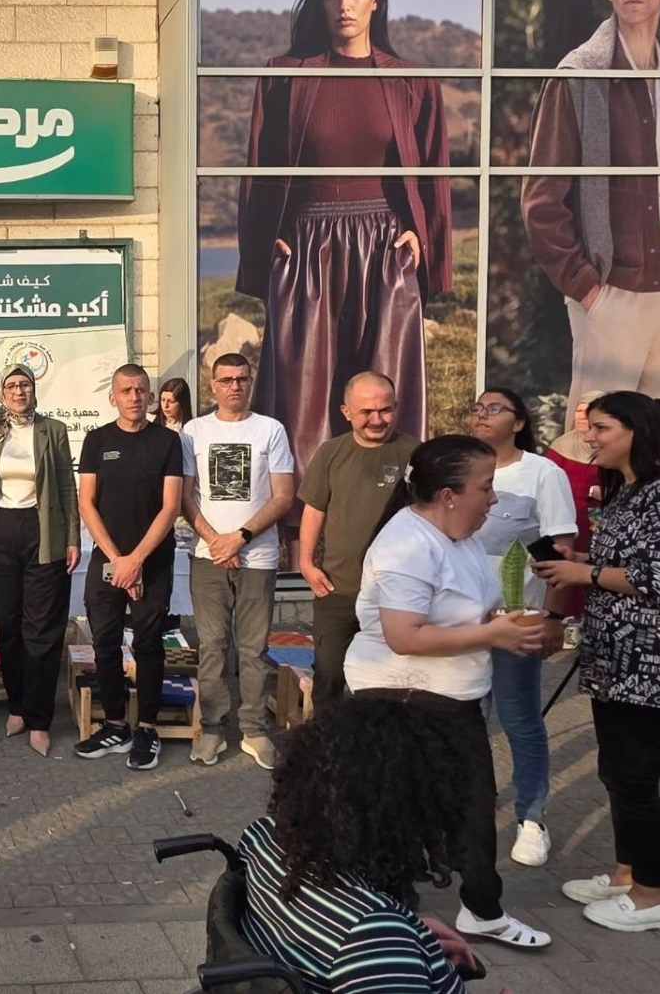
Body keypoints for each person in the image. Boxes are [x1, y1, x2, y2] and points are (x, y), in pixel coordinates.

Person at [238, 0, 451, 488]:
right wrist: (267, 245)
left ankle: (388, 505)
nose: (343, 5)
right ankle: (300, 518)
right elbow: (259, 168)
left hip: (383, 250)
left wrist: (421, 239)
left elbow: (433, 173)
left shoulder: (411, 78)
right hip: (307, 249)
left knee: (381, 393)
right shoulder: (285, 73)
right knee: (303, 398)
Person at [345, 435, 551, 950]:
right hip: (400, 699)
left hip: (451, 696)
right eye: (486, 487)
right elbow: (404, 636)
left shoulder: (461, 537)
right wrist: (492, 634)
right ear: (448, 495)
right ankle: (390, 916)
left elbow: (467, 607)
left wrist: (503, 621)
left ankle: (479, 910)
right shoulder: (406, 545)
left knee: (470, 807)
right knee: (404, 810)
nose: (494, 499)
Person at [241, 698, 488, 994]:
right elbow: (365, 948)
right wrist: (388, 938)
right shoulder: (372, 938)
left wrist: (407, 931)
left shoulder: (262, 838)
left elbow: (324, 925)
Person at [534, 391, 660, 933]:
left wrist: (583, 575)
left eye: (602, 427)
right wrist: (579, 560)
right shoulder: (626, 489)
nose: (589, 437)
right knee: (616, 770)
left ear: (637, 430)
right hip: (613, 657)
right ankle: (626, 874)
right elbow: (624, 560)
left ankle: (653, 894)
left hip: (647, 663)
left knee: (635, 774)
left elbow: (655, 578)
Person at [525, 0, 660, 413]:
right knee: (595, 438)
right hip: (611, 293)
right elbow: (541, 203)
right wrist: (587, 289)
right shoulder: (578, 76)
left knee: (656, 443)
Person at [468, 387, 576, 868]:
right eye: (477, 407)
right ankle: (468, 804)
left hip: (516, 620)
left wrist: (552, 617)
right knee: (465, 721)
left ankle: (532, 817)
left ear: (518, 422)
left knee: (519, 721)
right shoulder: (460, 466)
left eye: (495, 409)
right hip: (461, 623)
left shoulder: (542, 473)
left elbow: (560, 550)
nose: (482, 415)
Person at [180, 354, 296, 769]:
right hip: (208, 556)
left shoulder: (270, 429)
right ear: (212, 385)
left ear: (251, 382)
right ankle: (212, 728)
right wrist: (217, 542)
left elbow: (283, 496)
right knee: (212, 645)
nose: (234, 386)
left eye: (241, 379)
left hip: (257, 557)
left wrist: (240, 538)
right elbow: (185, 496)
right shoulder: (194, 431)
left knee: (253, 647)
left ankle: (254, 729)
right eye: (226, 380)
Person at [74, 365, 184, 771]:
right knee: (104, 642)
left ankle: (147, 729)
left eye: (141, 390)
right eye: (126, 390)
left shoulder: (167, 441)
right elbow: (86, 503)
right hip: (108, 559)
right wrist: (118, 560)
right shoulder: (97, 440)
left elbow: (171, 506)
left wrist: (136, 561)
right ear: (113, 397)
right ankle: (115, 725)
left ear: (150, 397)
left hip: (151, 561)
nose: (134, 397)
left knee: (149, 644)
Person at [0, 365, 80, 757]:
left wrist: (72, 537)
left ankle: (40, 719)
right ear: (2, 392)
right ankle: (17, 707)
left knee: (42, 629)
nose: (19, 391)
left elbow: (67, 486)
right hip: (0, 531)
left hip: (43, 530)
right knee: (9, 626)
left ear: (34, 389)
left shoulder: (53, 430)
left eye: (25, 385)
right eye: (12, 386)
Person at [298, 371, 419, 708]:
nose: (377, 420)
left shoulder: (415, 454)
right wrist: (306, 563)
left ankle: (381, 742)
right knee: (329, 676)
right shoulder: (331, 453)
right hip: (337, 589)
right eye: (366, 412)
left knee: (388, 683)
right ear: (346, 411)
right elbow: (314, 510)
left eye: (385, 410)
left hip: (394, 593)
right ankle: (327, 740)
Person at [545, 391, 605, 616]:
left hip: (598, 519)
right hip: (567, 518)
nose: (581, 416)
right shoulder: (562, 444)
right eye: (578, 411)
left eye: (587, 412)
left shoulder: (609, 449)